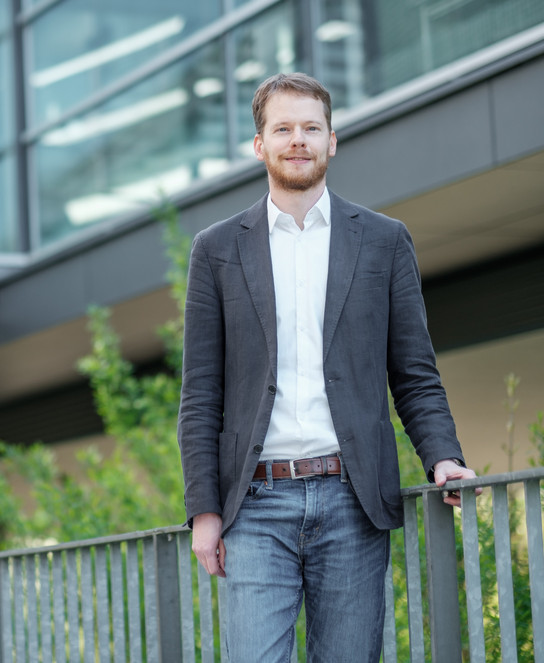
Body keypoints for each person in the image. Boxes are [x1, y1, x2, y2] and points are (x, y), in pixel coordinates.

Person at [176, 72, 478, 662]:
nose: (298, 140)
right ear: (259, 145)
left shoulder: (385, 241)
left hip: (352, 499)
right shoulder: (215, 250)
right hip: (255, 503)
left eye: (311, 128)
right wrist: (204, 511)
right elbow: (201, 394)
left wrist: (444, 458)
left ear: (332, 140)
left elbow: (414, 372)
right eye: (283, 128)